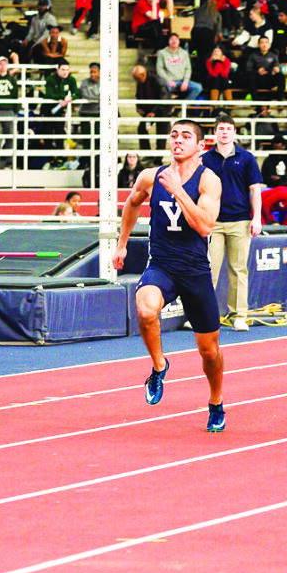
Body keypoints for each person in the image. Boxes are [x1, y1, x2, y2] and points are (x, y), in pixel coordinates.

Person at [112, 119, 227, 432]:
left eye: (186, 136)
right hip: (162, 265)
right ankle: (159, 365)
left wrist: (178, 192)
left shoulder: (209, 181)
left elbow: (204, 226)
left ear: (200, 146)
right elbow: (132, 203)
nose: (178, 140)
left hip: (195, 272)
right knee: (145, 308)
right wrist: (121, 244)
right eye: (174, 135)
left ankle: (216, 401)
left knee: (209, 350)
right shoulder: (151, 176)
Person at [201, 114, 264, 333]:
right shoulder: (205, 159)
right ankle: (204, 316)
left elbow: (255, 189)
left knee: (238, 270)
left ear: (234, 132)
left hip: (240, 221)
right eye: (221, 128)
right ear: (215, 132)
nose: (225, 132)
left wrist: (257, 218)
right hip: (213, 222)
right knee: (209, 270)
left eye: (229, 128)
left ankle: (239, 316)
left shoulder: (246, 158)